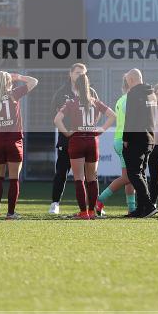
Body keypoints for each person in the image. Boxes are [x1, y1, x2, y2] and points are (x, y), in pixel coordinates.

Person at [55, 73, 116, 219]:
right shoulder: (94, 101)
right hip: (92, 141)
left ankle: (83, 212)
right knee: (92, 178)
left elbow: (57, 120)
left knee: (79, 178)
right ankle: (92, 211)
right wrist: (101, 129)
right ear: (89, 86)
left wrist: (68, 133)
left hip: (77, 140)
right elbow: (113, 115)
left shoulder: (71, 102)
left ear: (76, 86)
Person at [0, 71, 38, 220]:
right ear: (10, 82)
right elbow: (34, 81)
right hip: (14, 141)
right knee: (14, 178)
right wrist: (18, 77)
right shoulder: (14, 93)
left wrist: (0, 77)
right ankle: (11, 213)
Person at [49, 63, 98, 215]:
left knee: (90, 175)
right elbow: (55, 115)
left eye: (83, 73)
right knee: (62, 172)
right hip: (67, 139)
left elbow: (98, 111)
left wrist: (89, 126)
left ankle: (91, 207)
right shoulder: (62, 92)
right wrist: (67, 131)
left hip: (85, 139)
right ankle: (55, 203)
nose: (80, 76)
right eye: (77, 73)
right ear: (70, 73)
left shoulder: (91, 92)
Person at [94, 77, 136, 216]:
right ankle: (99, 200)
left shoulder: (121, 99)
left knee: (128, 177)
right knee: (129, 177)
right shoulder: (130, 99)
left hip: (120, 139)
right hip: (126, 140)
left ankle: (131, 208)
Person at [121, 69, 158, 218]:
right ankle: (142, 208)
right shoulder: (151, 94)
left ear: (130, 80)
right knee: (141, 173)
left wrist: (126, 138)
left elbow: (130, 118)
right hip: (150, 137)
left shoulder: (133, 93)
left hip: (136, 139)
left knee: (134, 173)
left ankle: (148, 206)